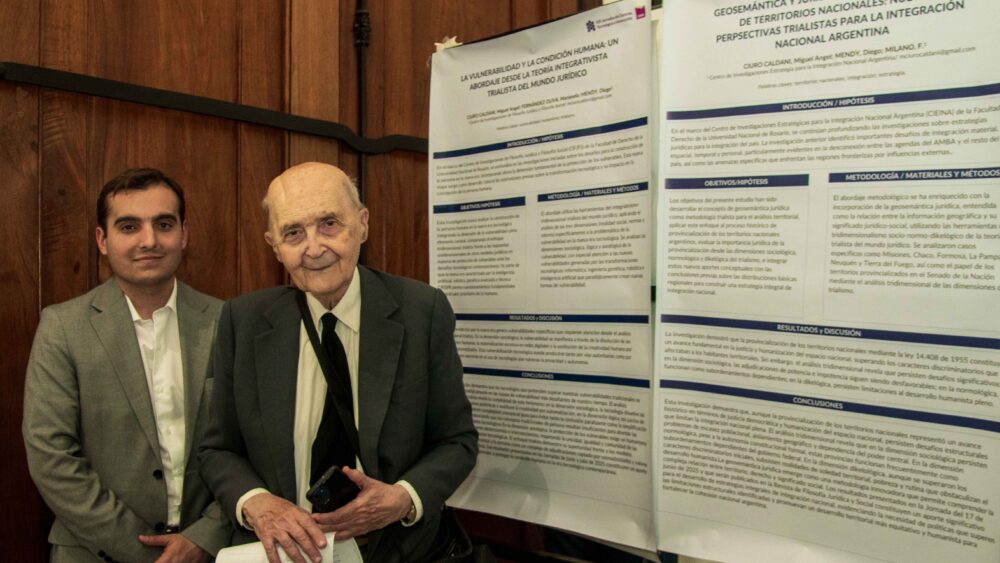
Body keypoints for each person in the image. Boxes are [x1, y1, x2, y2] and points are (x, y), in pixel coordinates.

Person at [198, 162, 478, 563]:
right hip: (285, 555)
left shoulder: (422, 312)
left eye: (329, 224)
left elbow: (457, 441)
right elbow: (218, 450)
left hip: (397, 552)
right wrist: (257, 503)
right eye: (294, 233)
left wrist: (402, 498)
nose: (314, 248)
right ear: (274, 246)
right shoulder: (242, 322)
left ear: (362, 224)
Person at [22, 168, 230, 563]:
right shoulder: (62, 327)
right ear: (103, 240)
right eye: (129, 226)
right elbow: (51, 456)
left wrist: (205, 536)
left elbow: (251, 445)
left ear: (184, 234)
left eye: (163, 224)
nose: (149, 240)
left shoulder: (226, 322)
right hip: (92, 552)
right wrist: (142, 551)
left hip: (206, 552)